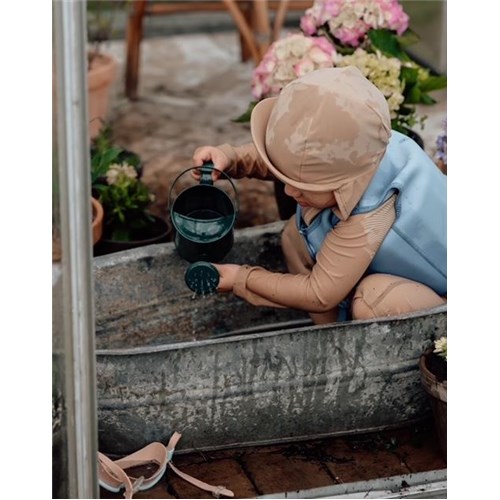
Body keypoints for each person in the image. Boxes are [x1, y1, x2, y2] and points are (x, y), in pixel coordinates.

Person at [191, 67, 446, 325]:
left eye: (305, 187)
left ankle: (355, 343)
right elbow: (287, 157)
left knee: (374, 300)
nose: (288, 191)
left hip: (440, 296)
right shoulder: (361, 145)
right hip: (385, 262)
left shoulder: (371, 215)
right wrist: (232, 158)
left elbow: (319, 294)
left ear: (344, 185)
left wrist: (241, 279)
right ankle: (327, 333)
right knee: (295, 237)